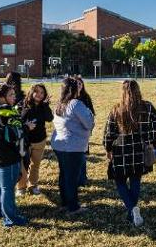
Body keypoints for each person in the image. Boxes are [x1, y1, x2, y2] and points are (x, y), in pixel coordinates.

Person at [103, 80, 156, 227]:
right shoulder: (148, 107)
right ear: (138, 90)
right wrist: (153, 146)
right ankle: (132, 210)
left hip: (121, 150)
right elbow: (154, 131)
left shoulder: (116, 109)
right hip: (140, 150)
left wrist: (108, 149)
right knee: (135, 180)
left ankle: (132, 208)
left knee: (120, 181)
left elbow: (109, 133)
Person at [0, 84, 33, 227]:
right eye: (10, 95)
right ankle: (10, 218)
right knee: (8, 188)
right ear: (1, 98)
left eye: (14, 94)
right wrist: (26, 127)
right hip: (8, 155)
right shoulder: (5, 112)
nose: (14, 97)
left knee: (0, 184)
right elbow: (12, 134)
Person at [51, 78, 94, 214]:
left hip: (59, 145)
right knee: (71, 178)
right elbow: (89, 123)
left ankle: (65, 203)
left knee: (64, 175)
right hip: (73, 146)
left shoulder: (59, 104)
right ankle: (73, 207)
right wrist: (90, 115)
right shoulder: (76, 104)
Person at [17, 84, 54, 196]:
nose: (39, 94)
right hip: (25, 140)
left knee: (35, 164)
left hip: (40, 140)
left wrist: (46, 105)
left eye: (42, 93)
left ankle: (33, 185)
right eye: (36, 91)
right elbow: (16, 120)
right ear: (32, 92)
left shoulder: (43, 106)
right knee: (22, 165)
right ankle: (21, 187)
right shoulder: (22, 104)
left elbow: (49, 118)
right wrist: (25, 124)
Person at [74, 75, 95, 187]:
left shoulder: (86, 97)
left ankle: (83, 178)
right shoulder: (69, 98)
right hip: (73, 132)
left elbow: (92, 113)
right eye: (76, 84)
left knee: (82, 155)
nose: (79, 86)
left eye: (80, 84)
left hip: (84, 131)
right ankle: (76, 177)